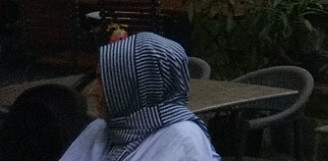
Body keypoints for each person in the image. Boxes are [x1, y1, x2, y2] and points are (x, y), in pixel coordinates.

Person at [56, 33, 217, 161]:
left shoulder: (182, 141)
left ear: (130, 87)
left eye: (103, 82)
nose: (91, 91)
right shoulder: (102, 129)